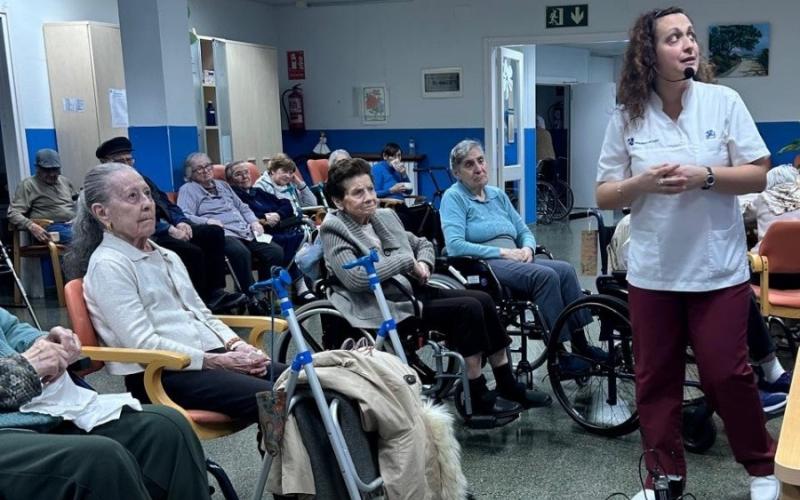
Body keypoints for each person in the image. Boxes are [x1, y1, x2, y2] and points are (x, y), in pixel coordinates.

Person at [595, 8, 777, 500]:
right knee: (656, 381)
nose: (689, 44)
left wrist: (708, 176)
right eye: (674, 37)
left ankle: (762, 470)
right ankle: (663, 479)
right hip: (653, 274)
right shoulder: (627, 115)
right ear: (648, 54)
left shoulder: (723, 101)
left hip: (717, 270)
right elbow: (605, 193)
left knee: (727, 375)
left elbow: (760, 172)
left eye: (691, 35)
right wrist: (642, 183)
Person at [320, 158, 551, 417]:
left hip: (411, 291)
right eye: (358, 193)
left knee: (483, 300)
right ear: (339, 202)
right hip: (379, 303)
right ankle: (476, 396)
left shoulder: (383, 217)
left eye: (371, 189)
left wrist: (423, 262)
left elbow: (424, 244)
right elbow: (357, 278)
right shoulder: (334, 230)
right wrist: (406, 261)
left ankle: (507, 383)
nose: (369, 197)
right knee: (468, 308)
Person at [66, 162, 286, 423]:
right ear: (102, 213)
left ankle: (296, 461)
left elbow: (202, 314)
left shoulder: (166, 255)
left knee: (312, 383)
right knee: (286, 396)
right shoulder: (109, 265)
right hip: (163, 375)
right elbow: (143, 343)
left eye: (147, 193)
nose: (147, 203)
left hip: (208, 360)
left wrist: (237, 345)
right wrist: (222, 362)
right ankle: (289, 462)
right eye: (132, 197)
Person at [0, 307, 210, 499]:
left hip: (33, 411)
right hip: (8, 426)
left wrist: (47, 344)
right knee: (100, 459)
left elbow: (10, 330)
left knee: (165, 427)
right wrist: (23, 368)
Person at [608, 214, 790, 414]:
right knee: (730, 298)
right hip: (655, 291)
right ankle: (750, 386)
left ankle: (760, 374)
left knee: (736, 291)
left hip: (690, 285)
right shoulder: (636, 223)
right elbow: (634, 269)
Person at [440, 139, 598, 369]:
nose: (478, 168)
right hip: (485, 263)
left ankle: (581, 344)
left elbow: (523, 230)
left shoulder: (497, 195)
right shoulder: (454, 198)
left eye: (481, 161)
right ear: (457, 172)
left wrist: (527, 248)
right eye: (469, 164)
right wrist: (503, 252)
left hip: (514, 257)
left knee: (564, 269)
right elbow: (454, 245)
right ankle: (560, 354)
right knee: (545, 277)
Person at [95, 137, 245, 313]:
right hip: (147, 234)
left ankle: (216, 292)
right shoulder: (105, 187)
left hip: (170, 225)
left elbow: (168, 205)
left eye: (129, 159)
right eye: (120, 161)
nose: (127, 164)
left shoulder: (142, 179)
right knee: (192, 252)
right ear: (105, 163)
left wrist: (181, 222)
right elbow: (133, 217)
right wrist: (168, 228)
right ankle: (200, 302)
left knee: (213, 232)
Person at [178, 152, 284, 313]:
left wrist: (254, 222)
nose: (205, 170)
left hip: (245, 230)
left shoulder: (223, 185)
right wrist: (208, 222)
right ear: (191, 174)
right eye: (199, 169)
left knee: (275, 251)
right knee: (240, 253)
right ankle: (251, 298)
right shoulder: (188, 189)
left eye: (207, 166)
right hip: (223, 233)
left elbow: (242, 207)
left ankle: (265, 295)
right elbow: (184, 214)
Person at [225, 160, 316, 303]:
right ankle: (297, 286)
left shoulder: (258, 192)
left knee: (301, 237)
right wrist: (265, 218)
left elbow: (286, 205)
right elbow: (250, 217)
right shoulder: (233, 196)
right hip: (259, 232)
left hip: (277, 227)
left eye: (246, 172)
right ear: (230, 180)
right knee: (288, 241)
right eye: (238, 174)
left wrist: (278, 214)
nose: (245, 177)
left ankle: (299, 286)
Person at [7, 148, 77, 244]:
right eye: (47, 170)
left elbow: (78, 202)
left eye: (55, 169)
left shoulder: (65, 181)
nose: (52, 174)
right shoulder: (28, 185)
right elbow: (13, 213)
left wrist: (78, 218)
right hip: (50, 227)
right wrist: (31, 226)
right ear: (38, 168)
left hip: (74, 224)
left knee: (99, 234)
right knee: (79, 239)